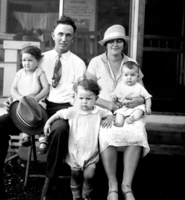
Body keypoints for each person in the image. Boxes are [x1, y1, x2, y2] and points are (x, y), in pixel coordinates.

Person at [0, 15, 86, 200]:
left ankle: (47, 188)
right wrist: (13, 100)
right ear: (53, 35)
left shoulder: (78, 64)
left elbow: (80, 96)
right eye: (60, 34)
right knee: (0, 124)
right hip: (34, 108)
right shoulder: (40, 58)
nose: (64, 39)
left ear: (74, 38)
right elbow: (25, 83)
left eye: (68, 35)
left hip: (61, 108)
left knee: (60, 130)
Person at [86, 24, 150, 200]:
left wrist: (138, 100)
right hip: (103, 111)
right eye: (111, 41)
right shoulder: (96, 63)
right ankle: (112, 185)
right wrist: (107, 105)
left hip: (129, 111)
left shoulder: (131, 63)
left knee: (137, 131)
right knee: (107, 133)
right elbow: (86, 91)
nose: (115, 44)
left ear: (124, 43)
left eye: (119, 41)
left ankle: (126, 185)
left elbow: (142, 93)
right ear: (105, 44)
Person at [44, 78, 113, 200]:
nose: (84, 102)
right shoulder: (72, 112)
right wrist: (48, 123)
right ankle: (76, 197)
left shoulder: (98, 112)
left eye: (88, 98)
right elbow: (58, 114)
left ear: (96, 99)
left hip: (91, 153)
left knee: (89, 176)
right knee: (75, 175)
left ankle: (86, 195)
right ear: (76, 97)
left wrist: (108, 119)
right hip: (75, 153)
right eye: (81, 98)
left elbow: (109, 113)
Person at [10, 45, 49, 154]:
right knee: (23, 116)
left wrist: (36, 98)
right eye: (24, 60)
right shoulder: (19, 74)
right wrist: (18, 97)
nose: (26, 63)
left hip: (36, 101)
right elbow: (13, 88)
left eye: (30, 60)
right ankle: (25, 135)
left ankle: (42, 140)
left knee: (38, 117)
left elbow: (46, 88)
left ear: (37, 61)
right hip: (22, 102)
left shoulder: (39, 72)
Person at [111, 61, 152, 127]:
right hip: (123, 107)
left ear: (137, 76)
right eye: (126, 75)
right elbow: (115, 96)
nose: (129, 77)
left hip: (136, 107)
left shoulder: (139, 87)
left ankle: (132, 118)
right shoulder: (120, 86)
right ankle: (119, 123)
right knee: (119, 113)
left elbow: (147, 97)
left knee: (140, 110)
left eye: (132, 75)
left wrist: (148, 107)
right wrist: (114, 99)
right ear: (122, 76)